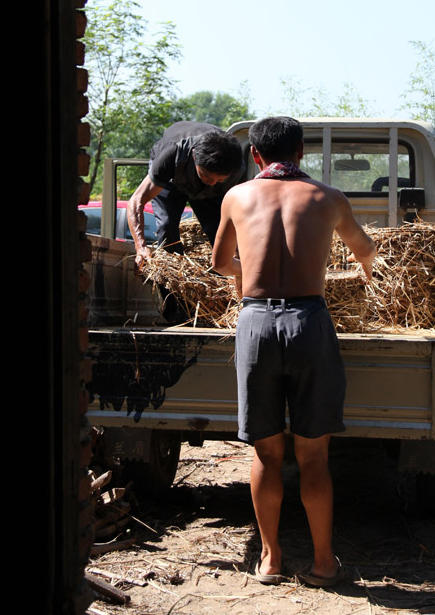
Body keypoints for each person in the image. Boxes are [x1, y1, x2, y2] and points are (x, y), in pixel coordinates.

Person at [212, 116, 376, 587]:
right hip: (309, 321)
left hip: (256, 322)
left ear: (256, 156)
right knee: (314, 456)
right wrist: (366, 268)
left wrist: (247, 276)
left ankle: (269, 559)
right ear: (301, 151)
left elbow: (221, 262)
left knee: (265, 455)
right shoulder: (328, 197)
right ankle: (324, 562)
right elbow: (363, 248)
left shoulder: (237, 196)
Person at [127, 121, 245, 271]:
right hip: (172, 179)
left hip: (210, 194)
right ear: (195, 157)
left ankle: (225, 279)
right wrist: (141, 247)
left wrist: (238, 258)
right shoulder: (171, 153)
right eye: (207, 176)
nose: (212, 183)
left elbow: (237, 219)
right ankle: (173, 280)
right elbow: (136, 201)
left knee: (219, 230)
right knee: (166, 226)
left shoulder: (237, 168)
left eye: (220, 179)